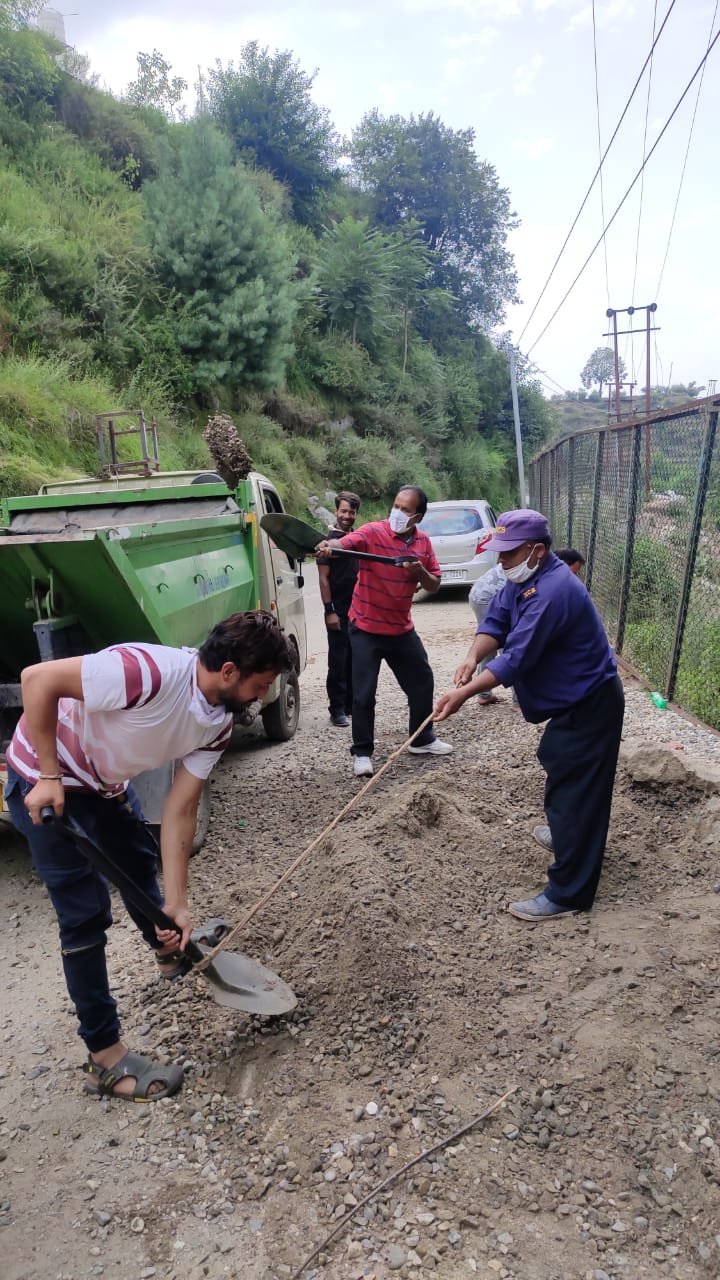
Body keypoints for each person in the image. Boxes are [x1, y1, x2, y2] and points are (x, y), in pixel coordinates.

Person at [4, 612, 293, 1101]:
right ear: (228, 672)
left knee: (140, 864)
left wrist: (178, 905)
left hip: (104, 783)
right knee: (85, 915)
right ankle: (104, 1057)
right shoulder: (146, 671)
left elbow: (179, 810)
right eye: (260, 685)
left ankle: (168, 950)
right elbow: (37, 680)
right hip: (46, 782)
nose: (261, 697)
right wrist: (49, 776)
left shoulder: (218, 725)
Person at [434, 509, 624, 922]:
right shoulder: (521, 577)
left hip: (591, 703)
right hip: (571, 704)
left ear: (537, 551)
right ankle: (570, 838)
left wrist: (464, 693)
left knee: (576, 790)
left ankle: (569, 892)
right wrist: (471, 657)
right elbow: (498, 620)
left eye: (508, 554)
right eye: (499, 554)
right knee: (560, 764)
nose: (501, 562)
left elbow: (516, 658)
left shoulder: (555, 590)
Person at [316, 486, 453, 778]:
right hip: (365, 628)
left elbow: (434, 584)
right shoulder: (373, 532)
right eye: (396, 506)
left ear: (418, 516)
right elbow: (349, 541)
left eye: (405, 510)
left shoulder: (423, 544)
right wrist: (331, 547)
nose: (397, 514)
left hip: (401, 629)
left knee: (422, 681)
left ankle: (422, 738)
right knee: (363, 695)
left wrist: (420, 574)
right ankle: (362, 752)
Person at [317, 490, 361, 727]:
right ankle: (337, 709)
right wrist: (329, 610)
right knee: (338, 659)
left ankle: (350, 704)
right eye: (343, 511)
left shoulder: (355, 538)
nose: (347, 515)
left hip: (357, 609)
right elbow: (323, 579)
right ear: (336, 511)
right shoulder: (327, 542)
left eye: (351, 512)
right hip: (337, 609)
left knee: (355, 657)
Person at [469, 563, 514, 707]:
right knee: (509, 647)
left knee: (489, 644)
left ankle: (484, 694)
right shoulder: (539, 568)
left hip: (478, 594)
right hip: (487, 598)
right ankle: (519, 701)